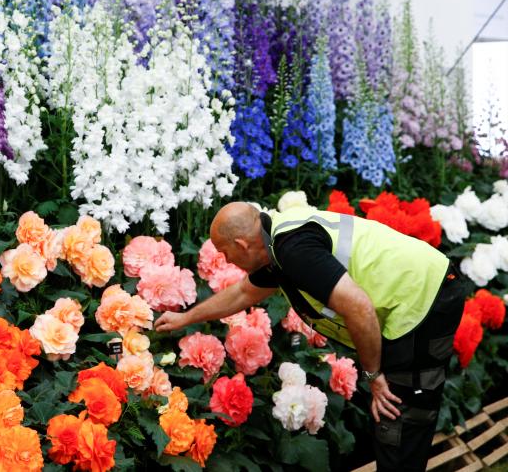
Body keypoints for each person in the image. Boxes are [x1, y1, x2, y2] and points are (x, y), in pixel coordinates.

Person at [154, 202, 468, 472]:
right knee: (395, 418)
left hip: (424, 298)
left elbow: (359, 307)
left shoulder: (294, 250)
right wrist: (186, 318)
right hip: (418, 292)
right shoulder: (276, 243)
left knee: (399, 416)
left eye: (225, 252)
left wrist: (373, 375)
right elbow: (243, 292)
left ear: (242, 244)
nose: (225, 260)